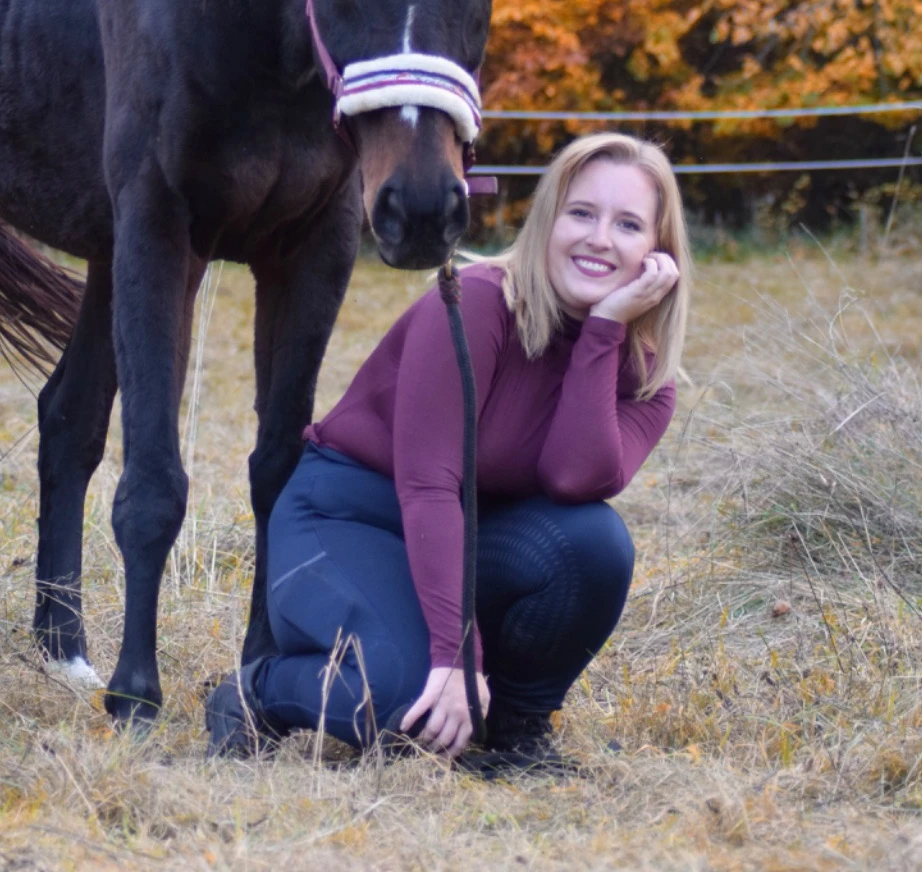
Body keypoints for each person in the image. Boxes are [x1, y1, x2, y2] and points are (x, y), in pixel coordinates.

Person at [207, 132, 690, 774]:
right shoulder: (475, 303)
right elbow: (431, 486)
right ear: (547, 220)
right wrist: (454, 655)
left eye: (628, 224)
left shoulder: (648, 382)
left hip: (460, 543)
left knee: (594, 544)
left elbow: (573, 479)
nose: (600, 238)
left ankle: (513, 726)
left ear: (658, 252)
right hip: (348, 522)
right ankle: (258, 691)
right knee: (404, 702)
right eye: (581, 213)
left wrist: (602, 332)